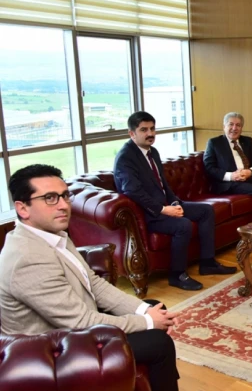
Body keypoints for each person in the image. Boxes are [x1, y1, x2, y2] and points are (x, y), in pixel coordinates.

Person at [0, 164, 182, 391]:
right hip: (46, 350)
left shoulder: (53, 234)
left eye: (65, 195)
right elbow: (79, 322)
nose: (64, 205)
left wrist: (146, 312)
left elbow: (94, 284)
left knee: (154, 306)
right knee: (158, 341)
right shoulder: (27, 258)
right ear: (22, 208)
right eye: (50, 198)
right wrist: (148, 322)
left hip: (71, 323)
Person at [114, 111, 236, 291]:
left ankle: (207, 263)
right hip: (147, 214)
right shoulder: (126, 157)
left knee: (206, 211)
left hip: (165, 206)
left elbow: (162, 184)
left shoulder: (152, 152)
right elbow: (133, 191)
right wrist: (163, 209)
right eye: (144, 130)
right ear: (132, 133)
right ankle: (177, 275)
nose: (150, 134)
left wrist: (174, 203)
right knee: (183, 225)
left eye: (152, 129)